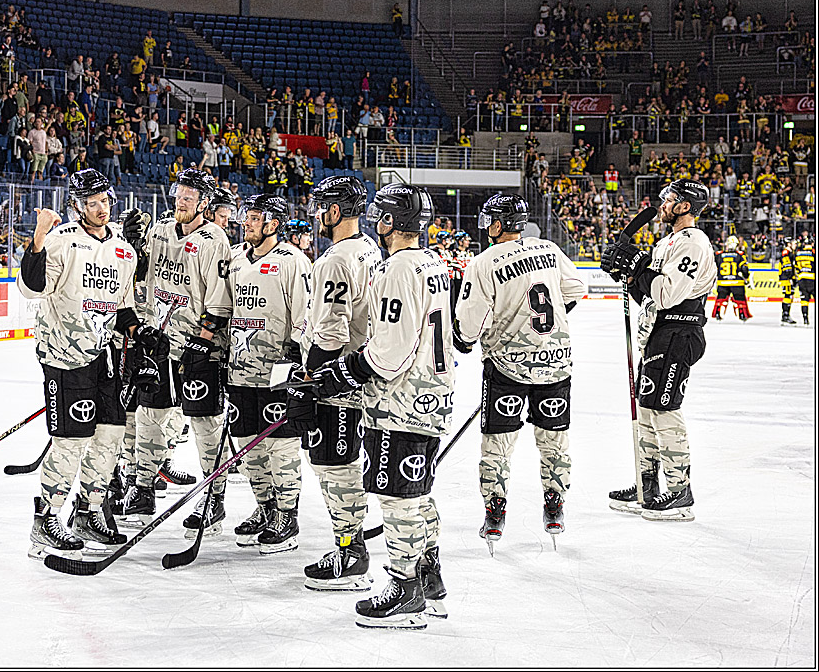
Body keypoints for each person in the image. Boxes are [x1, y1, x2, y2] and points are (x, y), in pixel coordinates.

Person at [304, 183, 453, 629]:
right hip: (432, 394)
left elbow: (388, 352)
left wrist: (343, 372)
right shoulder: (433, 264)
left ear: (390, 221)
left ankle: (404, 588)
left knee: (397, 495)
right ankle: (429, 578)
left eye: (381, 214)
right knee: (418, 492)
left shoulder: (398, 271)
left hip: (400, 400)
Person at [17, 168, 164, 559]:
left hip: (106, 357)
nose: (101, 208)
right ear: (77, 206)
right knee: (70, 441)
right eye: (92, 203)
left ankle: (88, 510)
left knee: (111, 435)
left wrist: (140, 334)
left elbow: (124, 307)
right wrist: (37, 239)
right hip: (64, 356)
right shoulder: (62, 241)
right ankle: (46, 521)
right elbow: (32, 289)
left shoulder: (123, 250)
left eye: (105, 201)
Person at [455, 194, 586, 552]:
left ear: (498, 225)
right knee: (554, 440)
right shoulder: (548, 248)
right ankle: (555, 505)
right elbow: (576, 290)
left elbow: (469, 325)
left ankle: (495, 511)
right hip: (556, 363)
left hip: (506, 369)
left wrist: (465, 341)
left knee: (498, 444)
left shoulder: (483, 263)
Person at [115, 169, 233, 537]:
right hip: (158, 343)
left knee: (205, 423)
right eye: (178, 194)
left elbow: (220, 299)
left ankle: (214, 494)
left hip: (196, 348)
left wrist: (203, 341)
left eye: (188, 197)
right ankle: (144, 488)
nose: (180, 201)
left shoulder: (215, 240)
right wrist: (131, 242)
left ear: (203, 203)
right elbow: (139, 270)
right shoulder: (162, 231)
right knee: (151, 415)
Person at [286, 175, 383, 592]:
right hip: (361, 374)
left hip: (337, 381)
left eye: (321, 205)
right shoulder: (369, 249)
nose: (316, 213)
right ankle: (352, 539)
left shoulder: (334, 260)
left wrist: (309, 380)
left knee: (333, 464)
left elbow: (331, 332)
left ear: (336, 211)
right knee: (341, 463)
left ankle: (350, 551)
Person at [602, 179, 718, 521]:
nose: (663, 203)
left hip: (679, 333)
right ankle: (646, 486)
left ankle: (681, 492)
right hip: (659, 333)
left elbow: (668, 295)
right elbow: (649, 294)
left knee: (664, 410)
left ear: (685, 206)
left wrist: (637, 265)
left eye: (670, 199)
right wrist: (627, 273)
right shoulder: (667, 241)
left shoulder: (694, 243)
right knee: (648, 410)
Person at [224, 194, 311, 554]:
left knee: (281, 444)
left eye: (255, 217)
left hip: (277, 371)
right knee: (247, 444)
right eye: (247, 216)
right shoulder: (235, 258)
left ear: (273, 223)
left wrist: (295, 355)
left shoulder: (294, 261)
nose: (247, 223)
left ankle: (287, 515)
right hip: (239, 368)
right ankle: (266, 507)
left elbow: (305, 314)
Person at [711, 236, 752, 321]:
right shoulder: (740, 254)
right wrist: (746, 278)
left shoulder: (719, 254)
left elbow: (713, 268)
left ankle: (718, 313)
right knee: (740, 299)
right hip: (736, 282)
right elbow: (744, 268)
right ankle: (742, 314)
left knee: (721, 299)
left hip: (722, 281)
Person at [794, 232, 814, 325]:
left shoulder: (798, 254)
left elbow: (796, 267)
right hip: (812, 279)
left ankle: (805, 318)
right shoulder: (813, 253)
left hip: (802, 279)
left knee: (804, 300)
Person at [778, 238, 799, 325]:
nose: (796, 245)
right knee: (788, 295)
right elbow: (787, 267)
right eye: (794, 243)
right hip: (786, 278)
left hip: (789, 277)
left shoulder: (790, 253)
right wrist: (790, 278)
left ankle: (786, 314)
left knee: (790, 295)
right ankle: (785, 315)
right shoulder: (786, 253)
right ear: (788, 244)